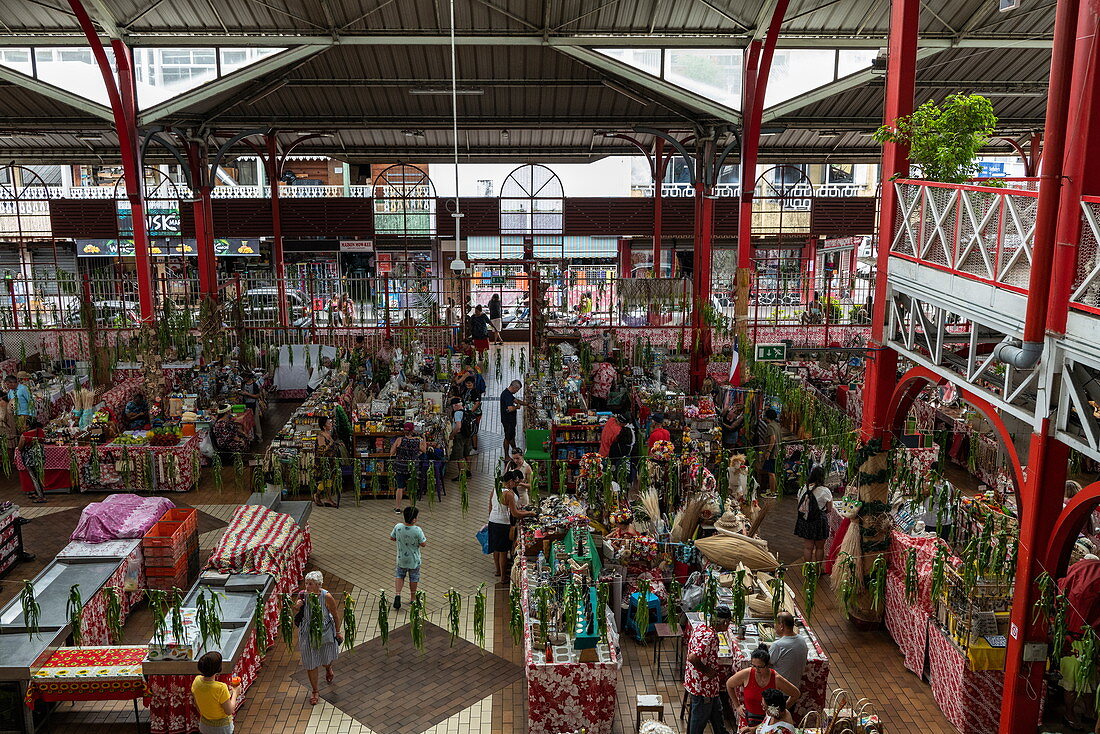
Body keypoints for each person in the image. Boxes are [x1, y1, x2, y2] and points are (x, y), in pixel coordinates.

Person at [294, 571, 343, 706]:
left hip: (324, 631)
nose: (307, 586)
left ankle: (328, 668)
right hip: (307, 633)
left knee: (325, 658)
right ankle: (315, 691)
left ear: (318, 585)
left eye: (311, 584)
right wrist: (293, 604)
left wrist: (338, 631)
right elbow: (297, 606)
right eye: (306, 583)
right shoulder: (303, 595)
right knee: (310, 663)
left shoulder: (326, 596)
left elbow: (335, 615)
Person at [726, 645, 800, 730]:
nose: (756, 670)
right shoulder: (746, 674)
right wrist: (737, 706)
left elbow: (796, 694)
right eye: (754, 666)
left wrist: (782, 709)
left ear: (768, 665)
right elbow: (729, 684)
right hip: (748, 718)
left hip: (768, 721)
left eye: (760, 667)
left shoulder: (776, 679)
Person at [685, 605, 732, 734]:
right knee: (699, 718)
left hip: (703, 683)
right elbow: (693, 657)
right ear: (724, 622)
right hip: (703, 685)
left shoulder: (702, 626)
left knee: (716, 711)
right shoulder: (710, 637)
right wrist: (707, 671)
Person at [488, 470, 534, 581]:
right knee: (503, 551)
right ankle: (504, 577)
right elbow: (515, 513)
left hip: (492, 521)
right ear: (510, 481)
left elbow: (490, 504)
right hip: (503, 524)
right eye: (515, 482)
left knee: (496, 549)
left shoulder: (496, 489)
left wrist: (491, 517)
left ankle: (498, 570)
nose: (516, 485)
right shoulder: (508, 494)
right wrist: (529, 513)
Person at [191, 651, 240, 734]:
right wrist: (235, 693)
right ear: (218, 668)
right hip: (222, 728)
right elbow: (229, 710)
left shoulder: (197, 681)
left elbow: (197, 702)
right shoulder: (221, 688)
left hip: (205, 726)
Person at [767, 613, 807, 706]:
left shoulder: (778, 645)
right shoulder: (801, 640)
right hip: (794, 689)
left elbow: (767, 663)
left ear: (781, 626)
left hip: (780, 691)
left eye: (775, 624)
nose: (774, 626)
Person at [391, 506, 426, 610]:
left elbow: (392, 537)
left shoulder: (398, 527)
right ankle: (412, 598)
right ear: (414, 519)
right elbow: (423, 543)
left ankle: (398, 594)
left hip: (401, 558)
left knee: (399, 575)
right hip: (414, 560)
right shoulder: (417, 530)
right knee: (413, 577)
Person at [795, 467, 832, 563]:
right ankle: (818, 570)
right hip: (819, 520)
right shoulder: (825, 491)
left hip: (805, 520)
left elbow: (799, 503)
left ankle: (808, 569)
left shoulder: (803, 488)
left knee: (808, 548)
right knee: (820, 548)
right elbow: (829, 509)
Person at [389, 422, 426, 513]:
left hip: (400, 466)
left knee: (400, 487)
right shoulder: (417, 441)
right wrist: (424, 438)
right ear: (413, 430)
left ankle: (397, 508)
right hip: (412, 467)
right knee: (412, 486)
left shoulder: (399, 440)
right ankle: (412, 507)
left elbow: (391, 453)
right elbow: (424, 450)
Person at [18, 418, 46, 503]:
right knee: (38, 476)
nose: (24, 426)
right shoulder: (40, 431)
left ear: (28, 425)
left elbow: (20, 447)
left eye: (25, 424)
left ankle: (41, 497)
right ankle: (37, 493)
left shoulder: (24, 435)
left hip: (30, 460)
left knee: (35, 477)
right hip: (40, 458)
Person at [447, 397, 473, 481]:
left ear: (455, 405)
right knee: (467, 454)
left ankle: (461, 475)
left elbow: (458, 427)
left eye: (453, 406)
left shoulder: (457, 413)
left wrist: (452, 435)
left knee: (459, 456)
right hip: (467, 435)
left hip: (460, 436)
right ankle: (468, 471)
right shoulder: (466, 410)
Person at [500, 380, 527, 455]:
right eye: (517, 390)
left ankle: (514, 449)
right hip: (507, 420)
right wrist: (517, 407)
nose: (517, 391)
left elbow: (516, 400)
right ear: (514, 387)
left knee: (511, 435)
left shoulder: (508, 393)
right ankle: (506, 455)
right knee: (507, 437)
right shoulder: (507, 395)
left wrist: (527, 404)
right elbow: (510, 408)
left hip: (510, 420)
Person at [759, 409, 781, 495]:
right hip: (778, 451)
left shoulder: (770, 426)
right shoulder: (777, 425)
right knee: (774, 472)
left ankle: (772, 492)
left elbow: (773, 438)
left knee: (771, 473)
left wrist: (768, 451)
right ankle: (774, 490)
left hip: (773, 453)